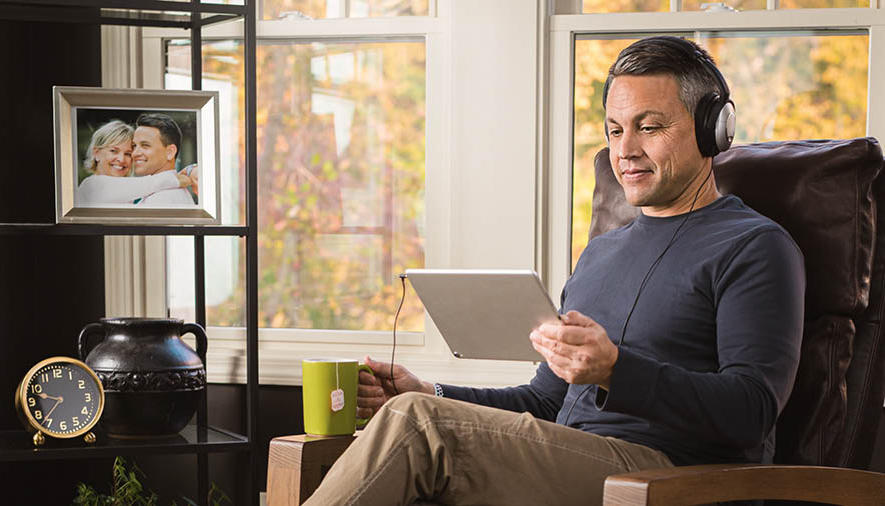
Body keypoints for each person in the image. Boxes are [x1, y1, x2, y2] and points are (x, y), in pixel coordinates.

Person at [303, 36, 807, 506]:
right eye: (615, 129)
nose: (625, 150)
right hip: (577, 459)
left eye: (649, 127)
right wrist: (430, 391)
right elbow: (545, 401)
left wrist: (615, 370)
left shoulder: (754, 247)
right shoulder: (600, 254)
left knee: (414, 425)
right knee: (410, 411)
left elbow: (751, 411)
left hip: (669, 480)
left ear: (711, 129)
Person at [77, 119, 195, 206]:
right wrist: (186, 174)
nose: (121, 159)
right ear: (96, 153)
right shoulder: (91, 186)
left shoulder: (136, 192)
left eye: (128, 153)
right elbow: (151, 183)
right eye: (113, 151)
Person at [132, 113, 199, 206]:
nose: (135, 153)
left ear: (170, 152)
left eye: (145, 145)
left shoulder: (162, 198)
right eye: (134, 146)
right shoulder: (160, 191)